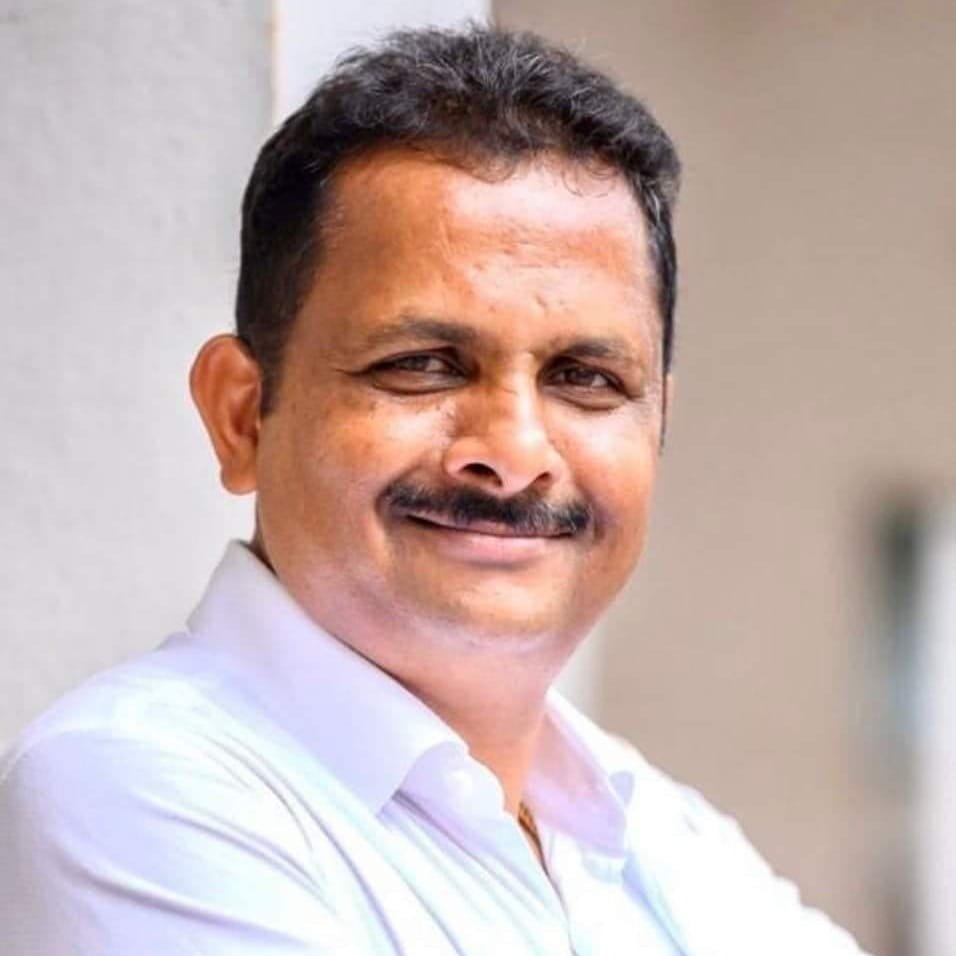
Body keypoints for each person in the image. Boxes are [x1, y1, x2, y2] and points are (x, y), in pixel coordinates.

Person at [0, 25, 869, 956]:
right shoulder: (134, 790)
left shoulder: (657, 829)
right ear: (242, 415)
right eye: (422, 364)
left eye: (586, 379)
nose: (515, 453)